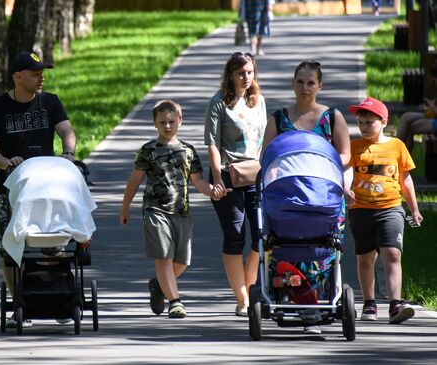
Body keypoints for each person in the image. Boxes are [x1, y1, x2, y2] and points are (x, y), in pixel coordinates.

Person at [0, 51, 77, 328]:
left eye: (42, 72)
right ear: (18, 76)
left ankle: (57, 299)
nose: (41, 77)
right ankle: (19, 304)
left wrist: (68, 153)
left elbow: (67, 132)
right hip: (10, 188)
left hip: (47, 188)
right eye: (35, 73)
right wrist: (5, 162)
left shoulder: (50, 102)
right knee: (10, 250)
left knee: (52, 245)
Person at [261, 60, 351, 334]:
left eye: (311, 82)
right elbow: (267, 157)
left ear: (319, 85)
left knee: (322, 246)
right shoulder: (278, 119)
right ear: (293, 84)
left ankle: (315, 307)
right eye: (300, 82)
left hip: (323, 192)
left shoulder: (332, 117)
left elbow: (345, 155)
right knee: (284, 242)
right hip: (288, 197)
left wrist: (322, 164)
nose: (305, 87)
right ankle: (298, 303)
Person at [120, 99, 221, 319]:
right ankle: (175, 301)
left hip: (181, 211)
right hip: (155, 210)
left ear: (180, 121)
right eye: (162, 122)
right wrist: (125, 207)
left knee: (182, 261)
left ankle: (159, 285)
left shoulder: (188, 151)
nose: (167, 126)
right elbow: (135, 180)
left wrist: (212, 190)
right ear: (155, 124)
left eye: (171, 121)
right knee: (164, 256)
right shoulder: (148, 150)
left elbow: (198, 181)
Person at [344, 96, 423, 324]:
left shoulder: (396, 146)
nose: (364, 127)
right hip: (361, 210)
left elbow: (405, 179)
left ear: (384, 122)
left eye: (370, 122)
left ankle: (395, 305)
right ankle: (369, 304)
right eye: (361, 123)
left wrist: (414, 208)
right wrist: (345, 188)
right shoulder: (354, 147)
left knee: (392, 253)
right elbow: (349, 171)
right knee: (366, 258)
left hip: (391, 208)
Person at [204, 52, 267, 317]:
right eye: (241, 72)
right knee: (235, 236)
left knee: (261, 235)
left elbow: (264, 139)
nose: (246, 77)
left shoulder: (258, 101)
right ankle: (242, 298)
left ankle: (251, 287)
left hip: (255, 174)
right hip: (228, 175)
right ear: (230, 74)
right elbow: (212, 143)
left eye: (250, 72)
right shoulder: (219, 102)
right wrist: (217, 178)